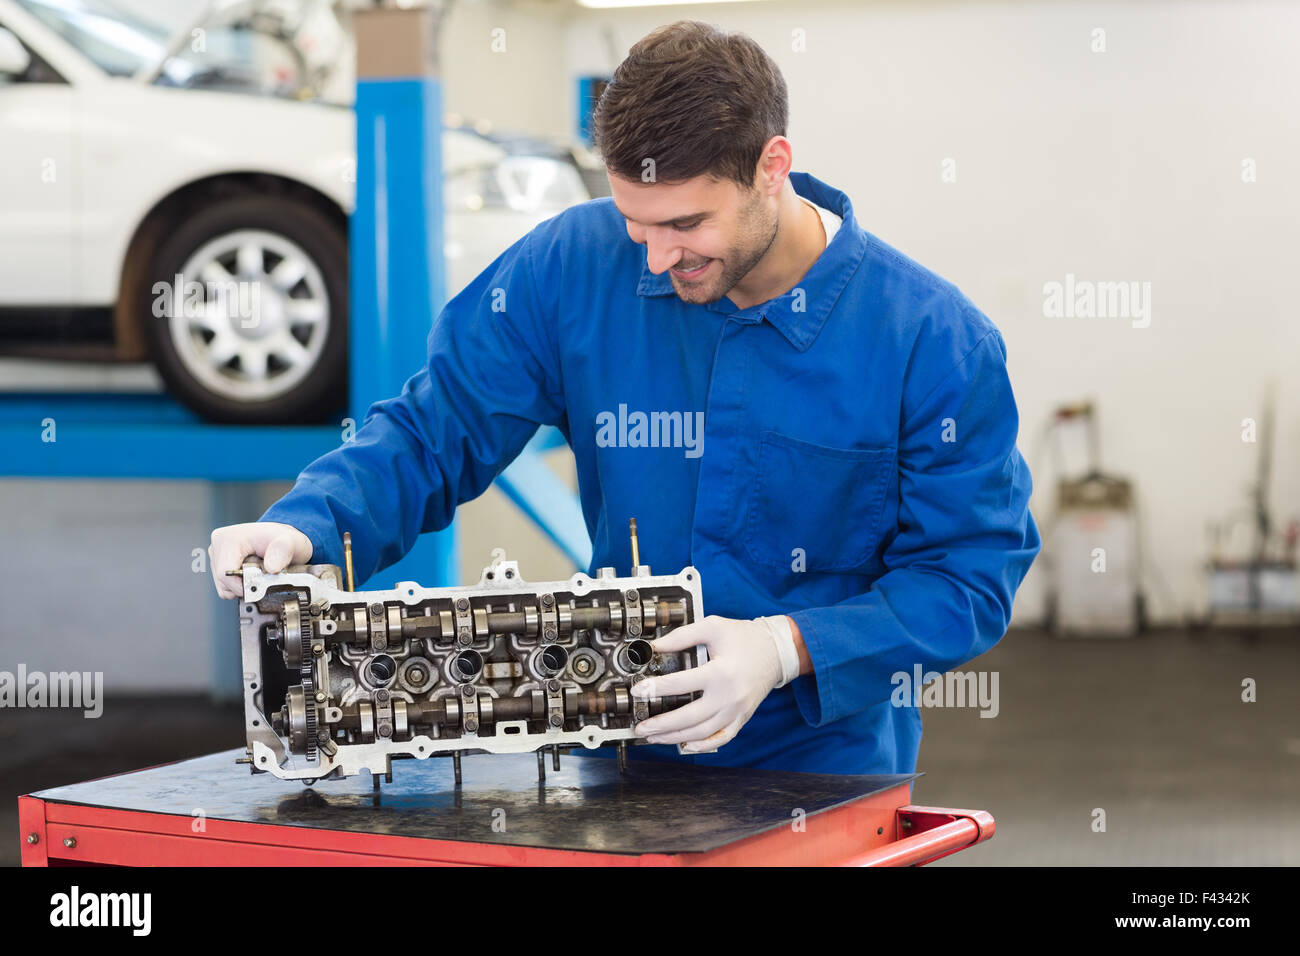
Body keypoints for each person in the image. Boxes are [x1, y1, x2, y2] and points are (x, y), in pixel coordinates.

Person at [209, 20, 1041, 775]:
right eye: (637, 223)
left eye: (686, 225)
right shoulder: (571, 268)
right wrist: (307, 522)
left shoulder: (933, 342)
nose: (654, 258)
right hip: (624, 766)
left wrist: (788, 649)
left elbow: (968, 576)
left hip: (823, 773)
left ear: (771, 168)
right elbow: (438, 428)